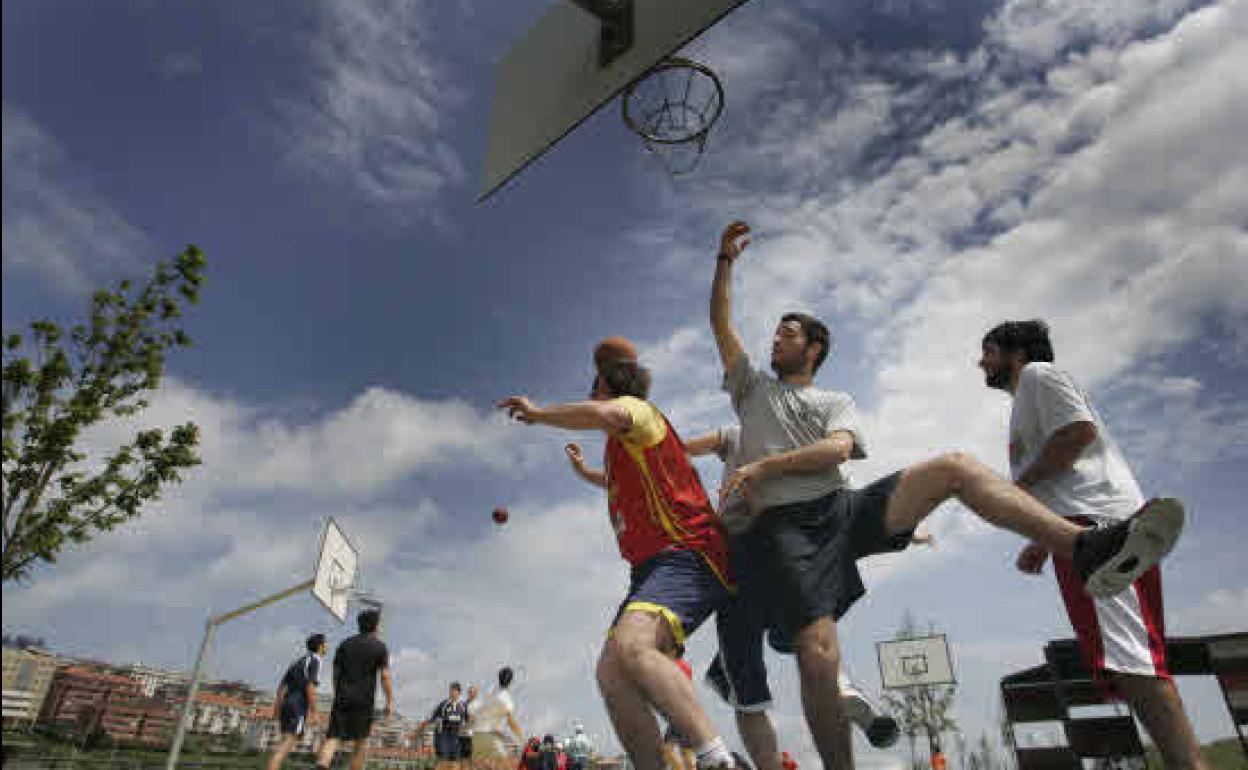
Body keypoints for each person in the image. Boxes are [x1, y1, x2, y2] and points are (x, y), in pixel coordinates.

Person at [707, 221, 1184, 768]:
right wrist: (724, 263)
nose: (774, 339)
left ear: (813, 349)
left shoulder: (835, 402)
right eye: (774, 332)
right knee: (818, 656)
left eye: (787, 333)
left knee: (954, 467)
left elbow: (839, 451)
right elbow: (720, 320)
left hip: (845, 507)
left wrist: (768, 463)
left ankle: (1085, 547)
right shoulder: (751, 388)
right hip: (790, 529)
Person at [570, 426, 919, 767]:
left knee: (747, 690)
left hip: (735, 553)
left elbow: (671, 454)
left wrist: (620, 462)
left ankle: (761, 746)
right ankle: (839, 683)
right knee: (805, 632)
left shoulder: (739, 435)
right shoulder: (798, 448)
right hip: (788, 549)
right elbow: (834, 493)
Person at [499, 336, 740, 770]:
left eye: (595, 390)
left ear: (610, 390)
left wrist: (537, 414)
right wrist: (583, 472)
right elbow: (612, 481)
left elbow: (601, 413)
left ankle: (716, 759)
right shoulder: (622, 452)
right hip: (651, 568)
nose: (590, 398)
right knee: (611, 673)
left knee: (633, 644)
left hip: (688, 550)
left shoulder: (641, 414)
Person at [979, 319, 1208, 770]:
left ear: (1016, 352)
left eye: (988, 351)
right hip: (1076, 533)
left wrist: (1016, 492)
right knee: (1124, 663)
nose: (981, 361)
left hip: (1102, 529)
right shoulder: (1024, 398)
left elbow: (1077, 434)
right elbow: (1061, 474)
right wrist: (1041, 541)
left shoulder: (1038, 376)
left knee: (1133, 657)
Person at [316, 609, 393, 770]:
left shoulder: (344, 644)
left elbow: (335, 673)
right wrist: (390, 701)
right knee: (360, 741)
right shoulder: (380, 647)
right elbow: (385, 676)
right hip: (364, 701)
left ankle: (322, 765)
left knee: (333, 737)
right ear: (376, 626)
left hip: (342, 697)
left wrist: (338, 692)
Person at [266, 633, 326, 770]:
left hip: (287, 703)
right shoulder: (315, 660)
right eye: (325, 644)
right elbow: (310, 686)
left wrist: (277, 709)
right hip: (297, 705)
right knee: (286, 744)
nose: (327, 646)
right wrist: (315, 712)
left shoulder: (298, 661)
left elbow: (281, 686)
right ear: (320, 646)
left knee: (290, 740)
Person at [416, 682, 470, 770]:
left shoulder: (463, 706)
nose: (452, 693)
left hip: (456, 740)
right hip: (443, 739)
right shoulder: (443, 705)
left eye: (454, 691)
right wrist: (417, 732)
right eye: (451, 691)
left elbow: (467, 722)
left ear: (459, 693)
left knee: (455, 765)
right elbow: (429, 719)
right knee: (443, 764)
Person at [475, 667, 525, 759]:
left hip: (477, 734)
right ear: (511, 681)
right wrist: (521, 736)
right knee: (510, 758)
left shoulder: (490, 694)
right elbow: (511, 722)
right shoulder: (506, 699)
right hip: (489, 737)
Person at [659, 660, 698, 770]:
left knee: (671, 750)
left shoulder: (676, 666)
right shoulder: (680, 666)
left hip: (682, 715)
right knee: (681, 751)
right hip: (680, 715)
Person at [461, 685, 479, 770]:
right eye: (470, 692)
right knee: (463, 759)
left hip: (472, 736)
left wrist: (466, 725)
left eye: (472, 692)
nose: (471, 694)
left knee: (471, 759)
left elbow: (474, 720)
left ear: (476, 694)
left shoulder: (477, 705)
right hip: (462, 736)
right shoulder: (463, 705)